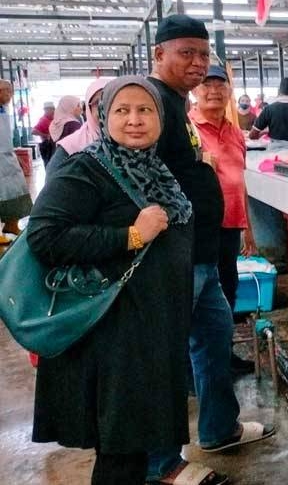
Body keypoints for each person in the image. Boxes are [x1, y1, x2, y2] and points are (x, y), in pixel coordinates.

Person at [26, 76, 194, 485]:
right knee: (121, 452)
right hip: (114, 337)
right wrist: (130, 235)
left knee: (135, 448)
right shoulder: (89, 167)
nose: (134, 120)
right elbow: (45, 235)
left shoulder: (157, 171)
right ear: (103, 117)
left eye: (145, 110)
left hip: (151, 330)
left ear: (161, 117)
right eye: (122, 110)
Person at [147, 14, 274, 485]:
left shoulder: (177, 107)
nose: (198, 64)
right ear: (158, 55)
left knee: (215, 342)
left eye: (203, 54)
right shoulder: (152, 103)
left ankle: (220, 429)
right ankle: (161, 465)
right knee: (164, 360)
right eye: (187, 53)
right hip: (172, 257)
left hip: (201, 253)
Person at [191, 65, 258, 372]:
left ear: (229, 92)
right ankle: (199, 366)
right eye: (207, 85)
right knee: (201, 298)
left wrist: (249, 228)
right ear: (195, 90)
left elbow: (240, 181)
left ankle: (225, 357)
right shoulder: (187, 129)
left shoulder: (234, 132)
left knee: (227, 292)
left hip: (230, 226)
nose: (214, 91)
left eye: (221, 86)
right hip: (201, 228)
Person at [47, 78, 114, 175]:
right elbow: (51, 185)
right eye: (97, 103)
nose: (105, 109)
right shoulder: (71, 147)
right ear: (88, 109)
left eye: (111, 102)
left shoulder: (135, 140)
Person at [0, 79, 32, 242]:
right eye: (7, 92)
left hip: (6, 157)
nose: (10, 96)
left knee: (14, 192)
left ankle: (11, 224)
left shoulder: (3, 110)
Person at [249, 77, 288, 142]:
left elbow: (252, 135)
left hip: (275, 150)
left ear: (279, 91)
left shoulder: (269, 109)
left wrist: (266, 131)